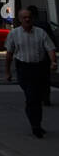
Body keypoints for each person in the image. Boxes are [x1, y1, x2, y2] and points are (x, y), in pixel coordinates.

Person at [5, 7, 58, 138]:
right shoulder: (14, 34)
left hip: (39, 68)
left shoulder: (40, 33)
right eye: (24, 17)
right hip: (24, 69)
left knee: (37, 97)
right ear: (20, 19)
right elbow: (9, 54)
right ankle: (35, 125)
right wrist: (7, 72)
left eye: (29, 17)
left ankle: (37, 124)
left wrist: (53, 61)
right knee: (31, 97)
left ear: (32, 18)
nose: (27, 19)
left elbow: (50, 48)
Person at [26, 5, 52, 106]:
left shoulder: (27, 25)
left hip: (31, 56)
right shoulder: (44, 25)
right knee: (45, 78)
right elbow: (51, 42)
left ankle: (36, 96)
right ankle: (46, 97)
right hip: (44, 56)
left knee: (33, 79)